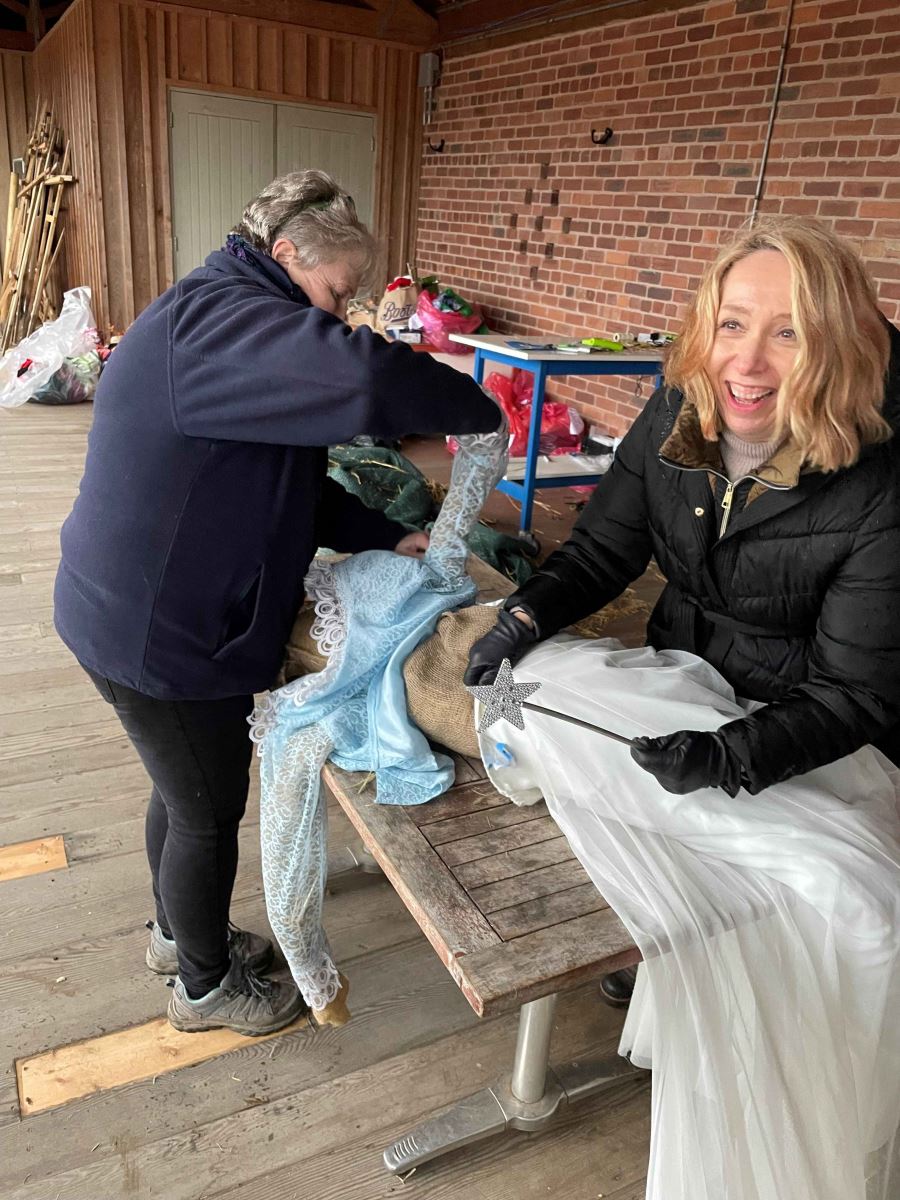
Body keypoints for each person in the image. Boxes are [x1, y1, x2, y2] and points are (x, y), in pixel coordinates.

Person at [54, 169, 502, 1036]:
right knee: (206, 808)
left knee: (180, 788)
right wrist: (477, 409)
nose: (340, 314)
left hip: (135, 606)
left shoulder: (233, 320)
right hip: (153, 628)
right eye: (338, 293)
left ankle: (178, 936)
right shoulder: (228, 323)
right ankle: (203, 989)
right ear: (287, 254)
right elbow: (365, 384)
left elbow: (288, 474)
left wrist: (381, 531)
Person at [465, 214, 900, 1005]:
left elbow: (853, 694)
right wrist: (524, 618)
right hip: (684, 672)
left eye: (789, 334)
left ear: (835, 346)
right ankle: (652, 944)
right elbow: (602, 552)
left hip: (805, 726)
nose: (748, 360)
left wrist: (730, 757)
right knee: (581, 760)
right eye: (732, 323)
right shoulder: (678, 408)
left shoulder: (880, 483)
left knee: (819, 902)